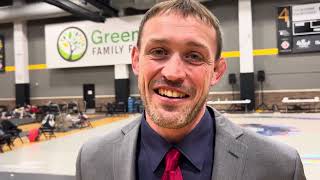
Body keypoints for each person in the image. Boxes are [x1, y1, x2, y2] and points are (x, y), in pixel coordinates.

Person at [76, 0, 306, 180]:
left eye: (194, 56)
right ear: (136, 60)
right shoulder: (92, 160)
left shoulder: (280, 167)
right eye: (158, 51)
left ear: (216, 71)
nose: (173, 73)